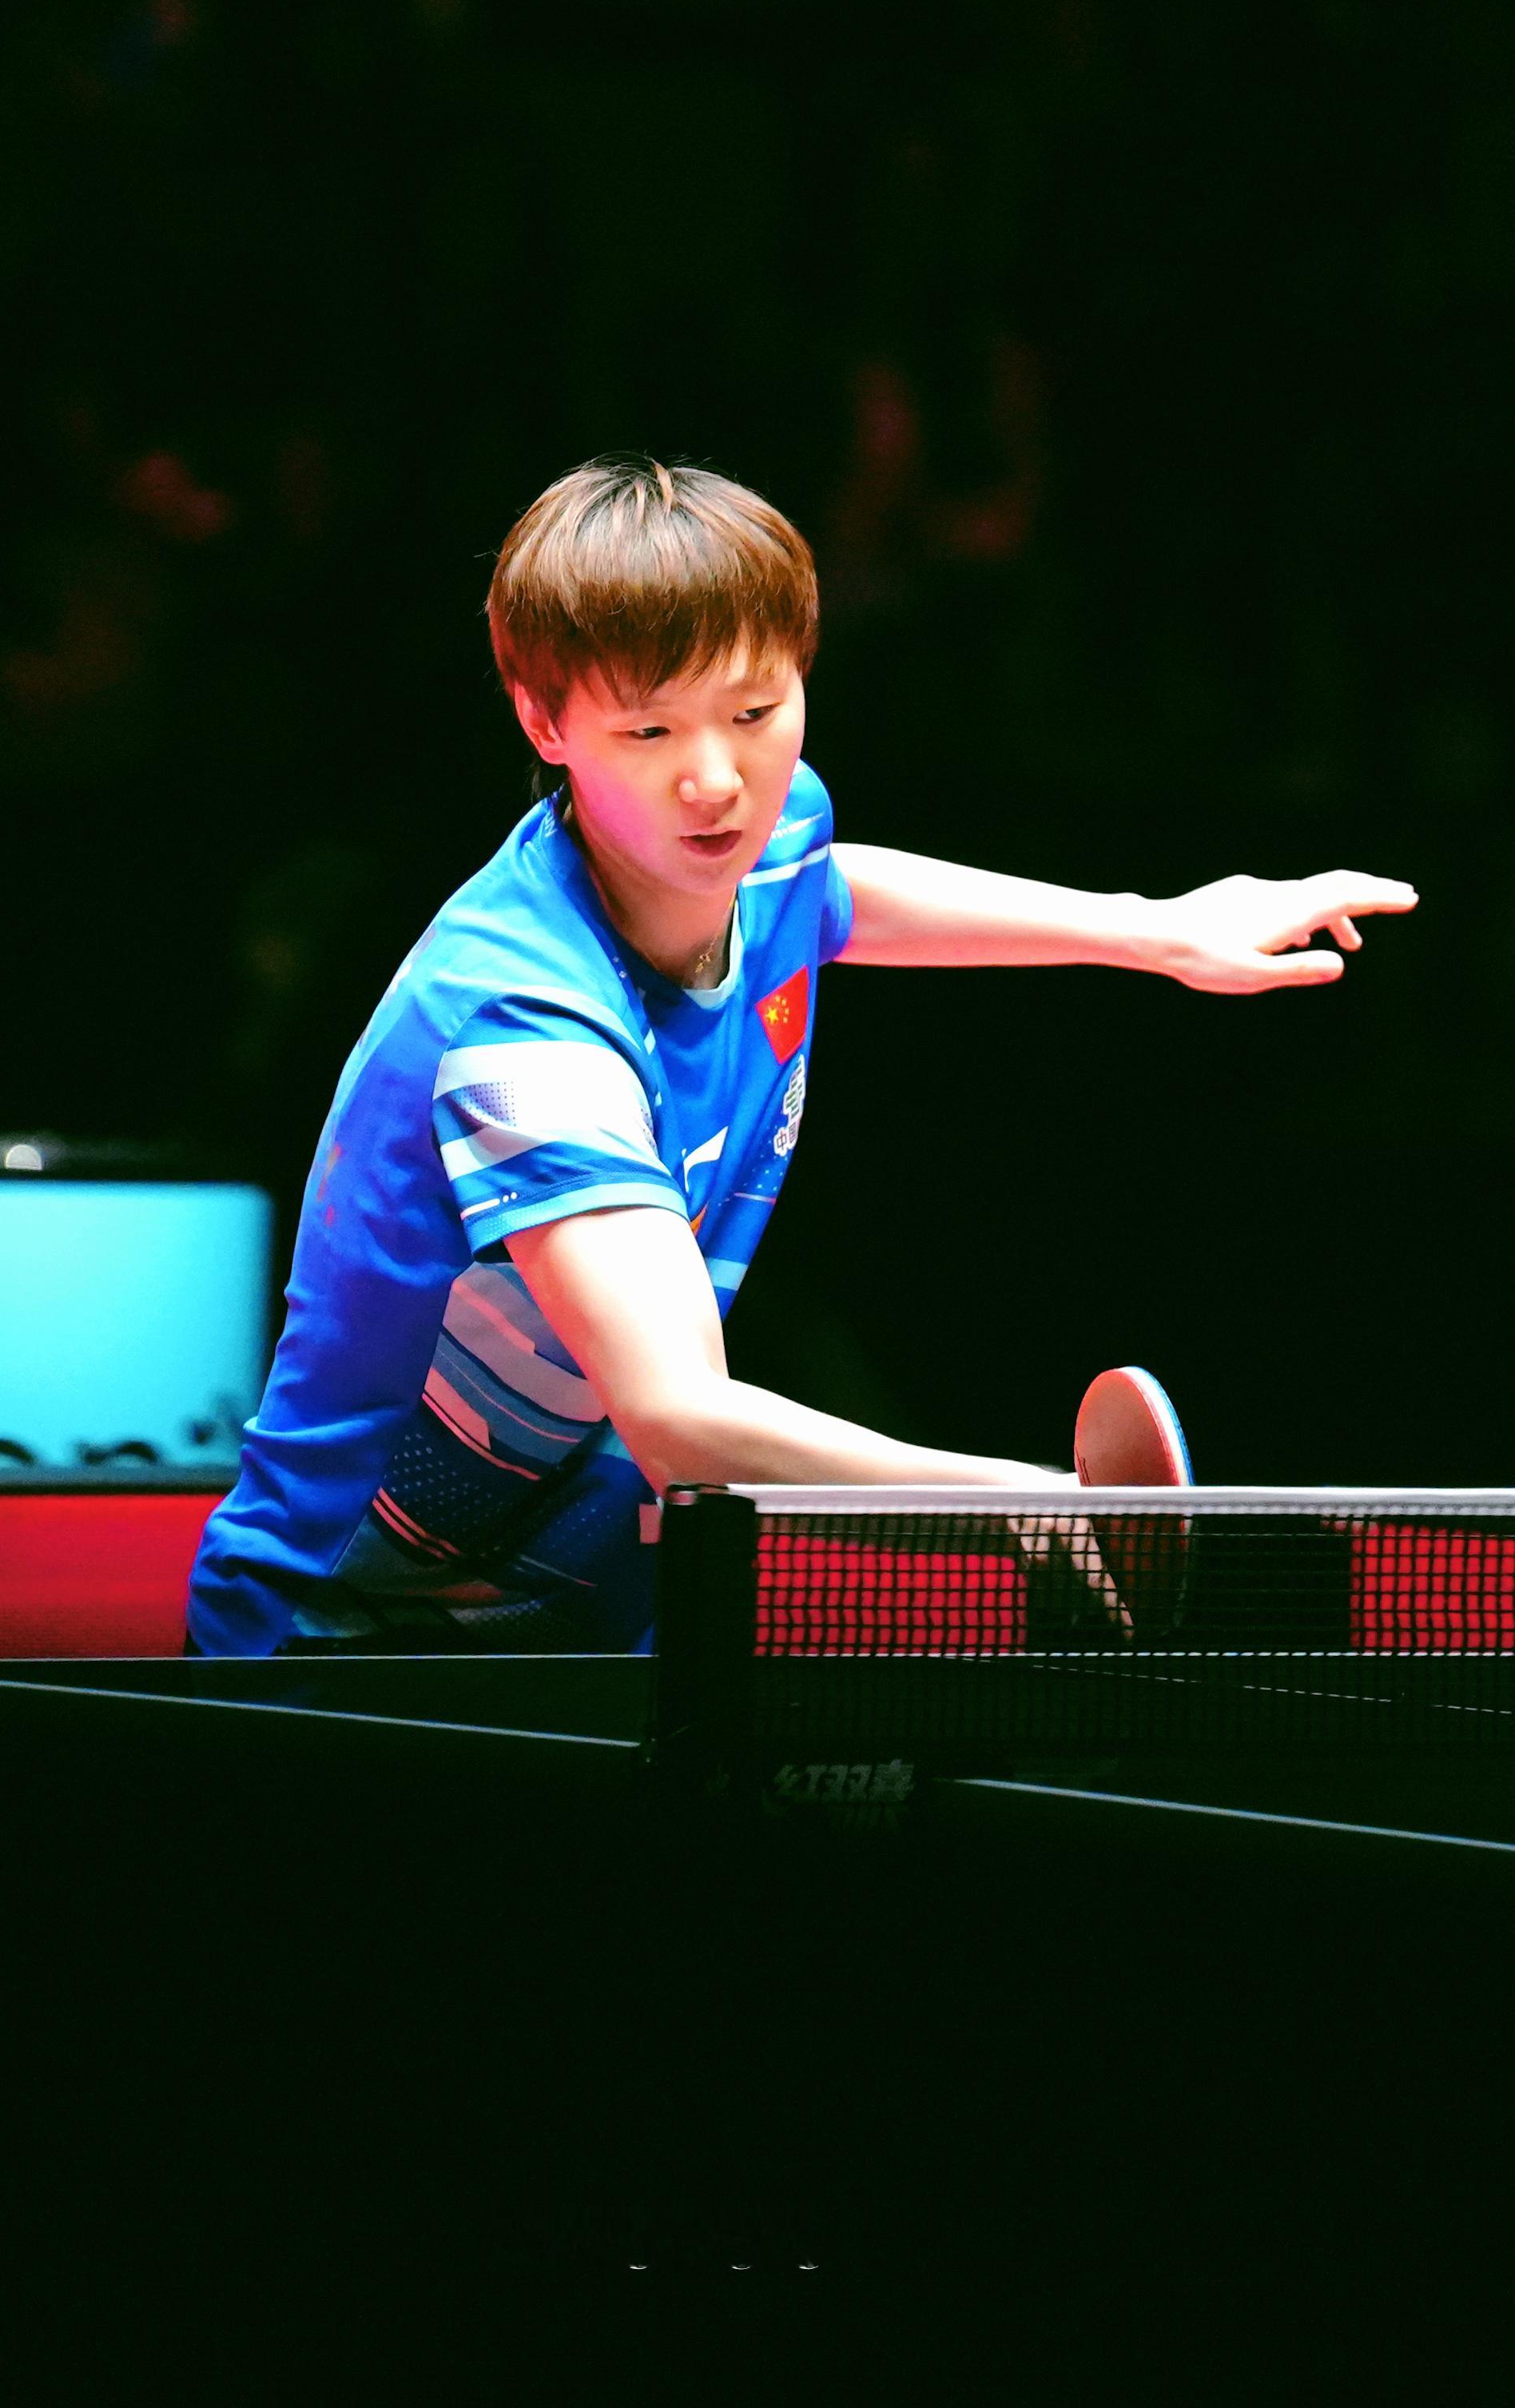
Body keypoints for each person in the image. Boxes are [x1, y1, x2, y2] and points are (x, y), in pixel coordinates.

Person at [185, 455, 1414, 1652]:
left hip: (573, 1618)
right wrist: (1032, 1506)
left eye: (755, 712)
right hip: (346, 1643)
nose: (716, 780)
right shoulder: (526, 1040)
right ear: (543, 719)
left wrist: (1155, 930)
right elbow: (678, 1418)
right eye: (649, 729)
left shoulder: (762, 841)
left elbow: (823, 894)